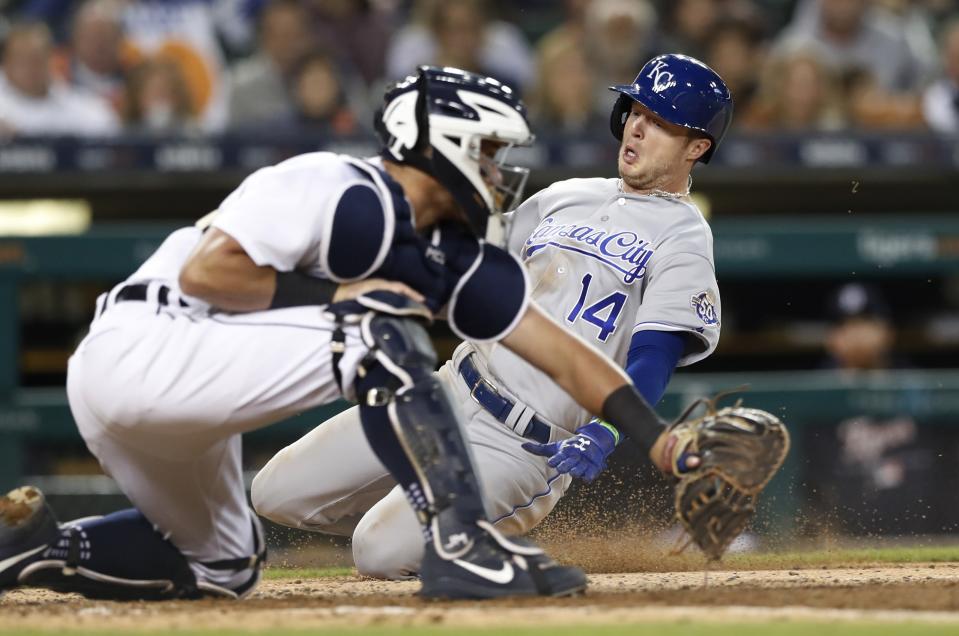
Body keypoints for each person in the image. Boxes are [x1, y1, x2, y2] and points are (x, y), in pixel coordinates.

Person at [0, 66, 700, 602]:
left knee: (227, 565)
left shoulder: (444, 254)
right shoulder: (334, 183)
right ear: (443, 145)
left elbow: (559, 353)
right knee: (378, 331)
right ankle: (460, 543)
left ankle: (42, 550)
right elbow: (207, 272)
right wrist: (339, 295)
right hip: (148, 343)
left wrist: (652, 435)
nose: (496, 170)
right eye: (484, 151)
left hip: (173, 398)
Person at [252, 53, 731, 579]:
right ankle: (442, 528)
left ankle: (456, 541)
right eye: (636, 110)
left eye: (660, 122)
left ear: (697, 147)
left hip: (521, 445)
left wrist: (610, 431)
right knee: (274, 493)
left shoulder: (684, 237)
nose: (637, 128)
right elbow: (467, 258)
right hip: (446, 392)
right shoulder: (566, 196)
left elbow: (654, 355)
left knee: (378, 551)